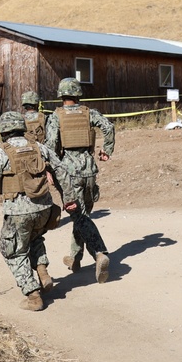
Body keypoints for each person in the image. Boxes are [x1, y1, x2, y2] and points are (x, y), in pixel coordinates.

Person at [0, 111, 67, 311]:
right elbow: (61, 169)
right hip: (44, 209)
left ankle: (33, 295)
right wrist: (68, 198)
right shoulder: (39, 148)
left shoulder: (1, 154)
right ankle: (42, 271)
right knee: (33, 238)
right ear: (22, 128)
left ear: (3, 131)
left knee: (12, 250)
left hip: (18, 212)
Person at [44, 77, 115, 283]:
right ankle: (75, 258)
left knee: (79, 216)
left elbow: (50, 146)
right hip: (90, 170)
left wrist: (49, 169)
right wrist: (106, 150)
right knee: (82, 215)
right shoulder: (89, 113)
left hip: (68, 173)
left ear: (61, 95)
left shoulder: (55, 117)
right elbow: (108, 127)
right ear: (78, 94)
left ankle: (99, 253)